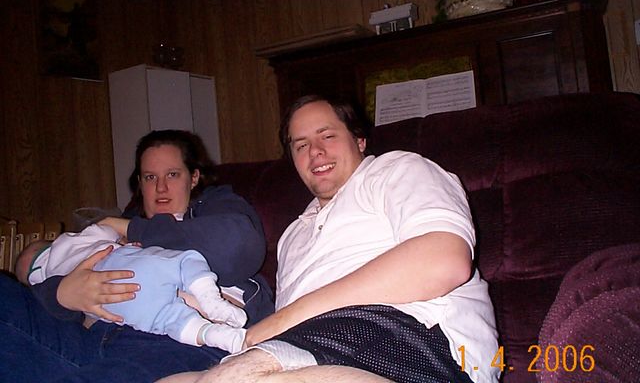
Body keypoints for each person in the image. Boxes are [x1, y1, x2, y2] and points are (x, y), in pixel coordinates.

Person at [160, 95, 499, 383]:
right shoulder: (293, 234)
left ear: (359, 141)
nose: (316, 152)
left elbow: (444, 261)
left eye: (328, 136)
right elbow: (282, 322)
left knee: (235, 377)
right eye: (301, 145)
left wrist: (277, 325)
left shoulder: (397, 170)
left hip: (420, 340)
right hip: (318, 345)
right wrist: (199, 301)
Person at [0, 129, 273, 383]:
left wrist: (130, 228)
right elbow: (45, 279)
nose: (161, 187)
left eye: (172, 175)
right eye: (150, 177)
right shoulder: (109, 234)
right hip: (87, 336)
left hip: (173, 338)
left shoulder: (214, 209)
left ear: (193, 178)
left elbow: (236, 247)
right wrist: (61, 294)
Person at [14, 222, 247, 352]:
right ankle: (209, 299)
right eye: (149, 177)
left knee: (168, 321)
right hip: (124, 263)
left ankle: (211, 334)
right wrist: (119, 240)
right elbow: (105, 229)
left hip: (118, 306)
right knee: (186, 261)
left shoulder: (51, 279)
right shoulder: (72, 239)